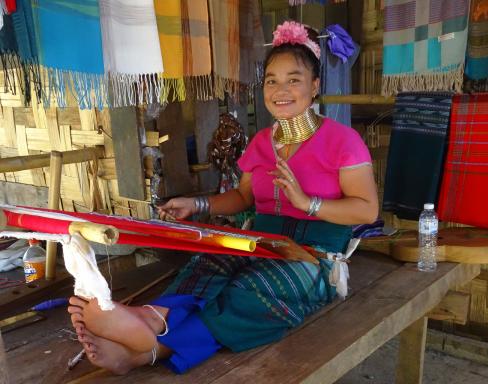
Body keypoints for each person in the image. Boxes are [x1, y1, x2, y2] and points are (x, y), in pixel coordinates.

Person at [68, 20, 378, 375]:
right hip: (260, 240)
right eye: (272, 80)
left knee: (253, 289)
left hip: (313, 255)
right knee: (208, 265)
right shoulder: (263, 141)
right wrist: (196, 204)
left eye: (294, 79)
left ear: (315, 85)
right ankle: (148, 319)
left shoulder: (342, 141)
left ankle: (150, 349)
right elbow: (244, 195)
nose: (281, 89)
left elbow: (367, 211)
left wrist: (308, 203)